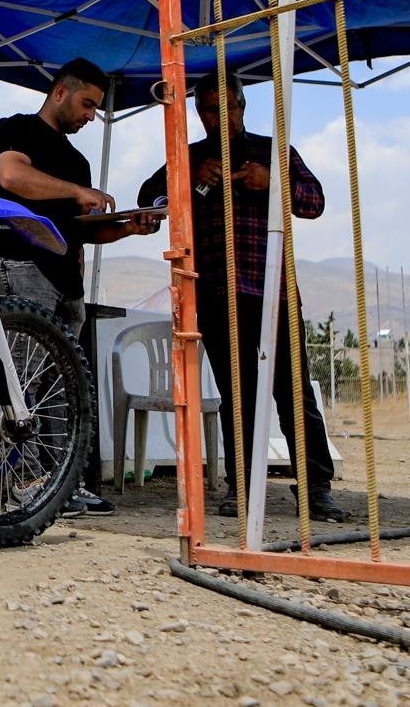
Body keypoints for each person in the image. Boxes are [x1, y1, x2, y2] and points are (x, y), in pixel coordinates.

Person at [138, 75, 344, 522]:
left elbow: (314, 202)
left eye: (228, 108)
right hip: (216, 295)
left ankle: (316, 488)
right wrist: (186, 179)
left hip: (274, 294)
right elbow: (148, 200)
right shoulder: (188, 158)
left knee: (294, 393)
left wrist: (272, 182)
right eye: (212, 110)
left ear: (243, 106)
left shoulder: (273, 151)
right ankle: (244, 487)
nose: (222, 118)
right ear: (199, 114)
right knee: (238, 395)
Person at [0, 57, 160, 516]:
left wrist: (127, 227)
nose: (91, 116)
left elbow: (80, 229)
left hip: (65, 284)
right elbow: (11, 176)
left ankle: (60, 485)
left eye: (96, 108)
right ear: (60, 92)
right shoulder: (18, 129)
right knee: (20, 380)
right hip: (19, 265)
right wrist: (76, 191)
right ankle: (25, 481)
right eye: (87, 104)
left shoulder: (77, 161)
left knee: (60, 387)